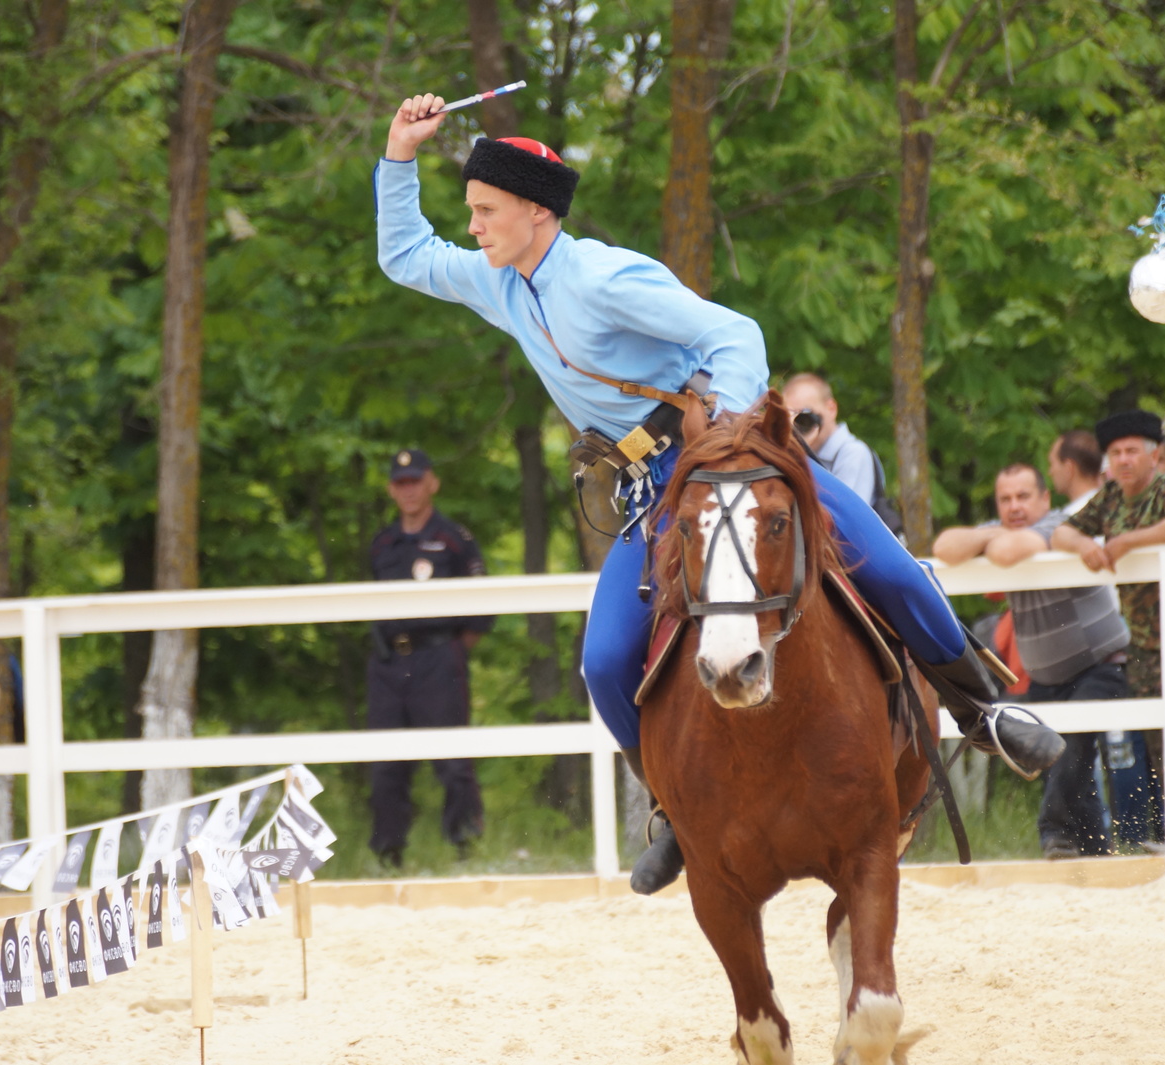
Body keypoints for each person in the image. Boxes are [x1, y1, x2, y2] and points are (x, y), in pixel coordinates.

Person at [375, 92, 1063, 892]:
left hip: (723, 458)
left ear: (534, 211)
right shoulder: (503, 282)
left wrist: (730, 444)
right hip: (649, 493)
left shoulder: (603, 277)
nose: (473, 226)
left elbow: (734, 334)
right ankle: (670, 806)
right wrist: (398, 152)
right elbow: (404, 255)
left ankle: (986, 713)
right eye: (471, 211)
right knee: (602, 662)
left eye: (485, 210)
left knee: (893, 567)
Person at [1051, 410, 1165, 851]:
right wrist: (1087, 547)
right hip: (1147, 643)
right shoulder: (1110, 496)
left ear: (1154, 455)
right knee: (1157, 741)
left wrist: (1125, 542)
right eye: (1116, 452)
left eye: (1133, 450)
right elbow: (1062, 533)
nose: (1124, 459)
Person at [934, 461, 1130, 859]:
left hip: (1101, 663)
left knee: (1068, 748)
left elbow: (1006, 552)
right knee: (1066, 761)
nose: (1014, 506)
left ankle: (1052, 832)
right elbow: (945, 547)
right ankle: (1095, 852)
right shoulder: (1010, 529)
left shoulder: (1057, 525)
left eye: (1023, 496)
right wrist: (993, 531)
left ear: (1045, 498)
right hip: (1048, 675)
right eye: (1005, 499)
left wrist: (991, 536)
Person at [365, 448, 493, 868]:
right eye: (401, 483)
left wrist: (450, 650)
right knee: (386, 763)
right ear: (390, 489)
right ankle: (389, 853)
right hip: (388, 665)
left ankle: (465, 847)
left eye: (416, 481)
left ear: (432, 482)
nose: (409, 490)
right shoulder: (382, 544)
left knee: (453, 760)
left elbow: (481, 608)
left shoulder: (455, 539)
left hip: (438, 660)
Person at [782, 372, 903, 537]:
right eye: (792, 418)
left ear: (831, 409)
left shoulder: (853, 453)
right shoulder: (795, 455)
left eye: (805, 417)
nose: (800, 426)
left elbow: (840, 524)